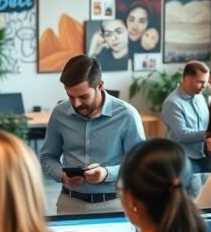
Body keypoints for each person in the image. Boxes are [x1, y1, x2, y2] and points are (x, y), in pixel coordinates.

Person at [40, 55, 146, 214]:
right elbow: (47, 157)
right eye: (70, 96)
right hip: (70, 203)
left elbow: (141, 164)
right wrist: (62, 176)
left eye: (83, 97)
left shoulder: (127, 115)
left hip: (115, 204)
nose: (76, 104)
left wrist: (107, 174)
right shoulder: (59, 113)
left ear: (100, 86)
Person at [160, 60, 211, 174]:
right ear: (187, 79)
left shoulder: (200, 96)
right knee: (193, 191)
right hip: (185, 158)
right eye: (200, 82)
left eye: (206, 82)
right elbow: (182, 134)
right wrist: (209, 133)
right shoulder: (172, 103)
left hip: (204, 154)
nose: (204, 86)